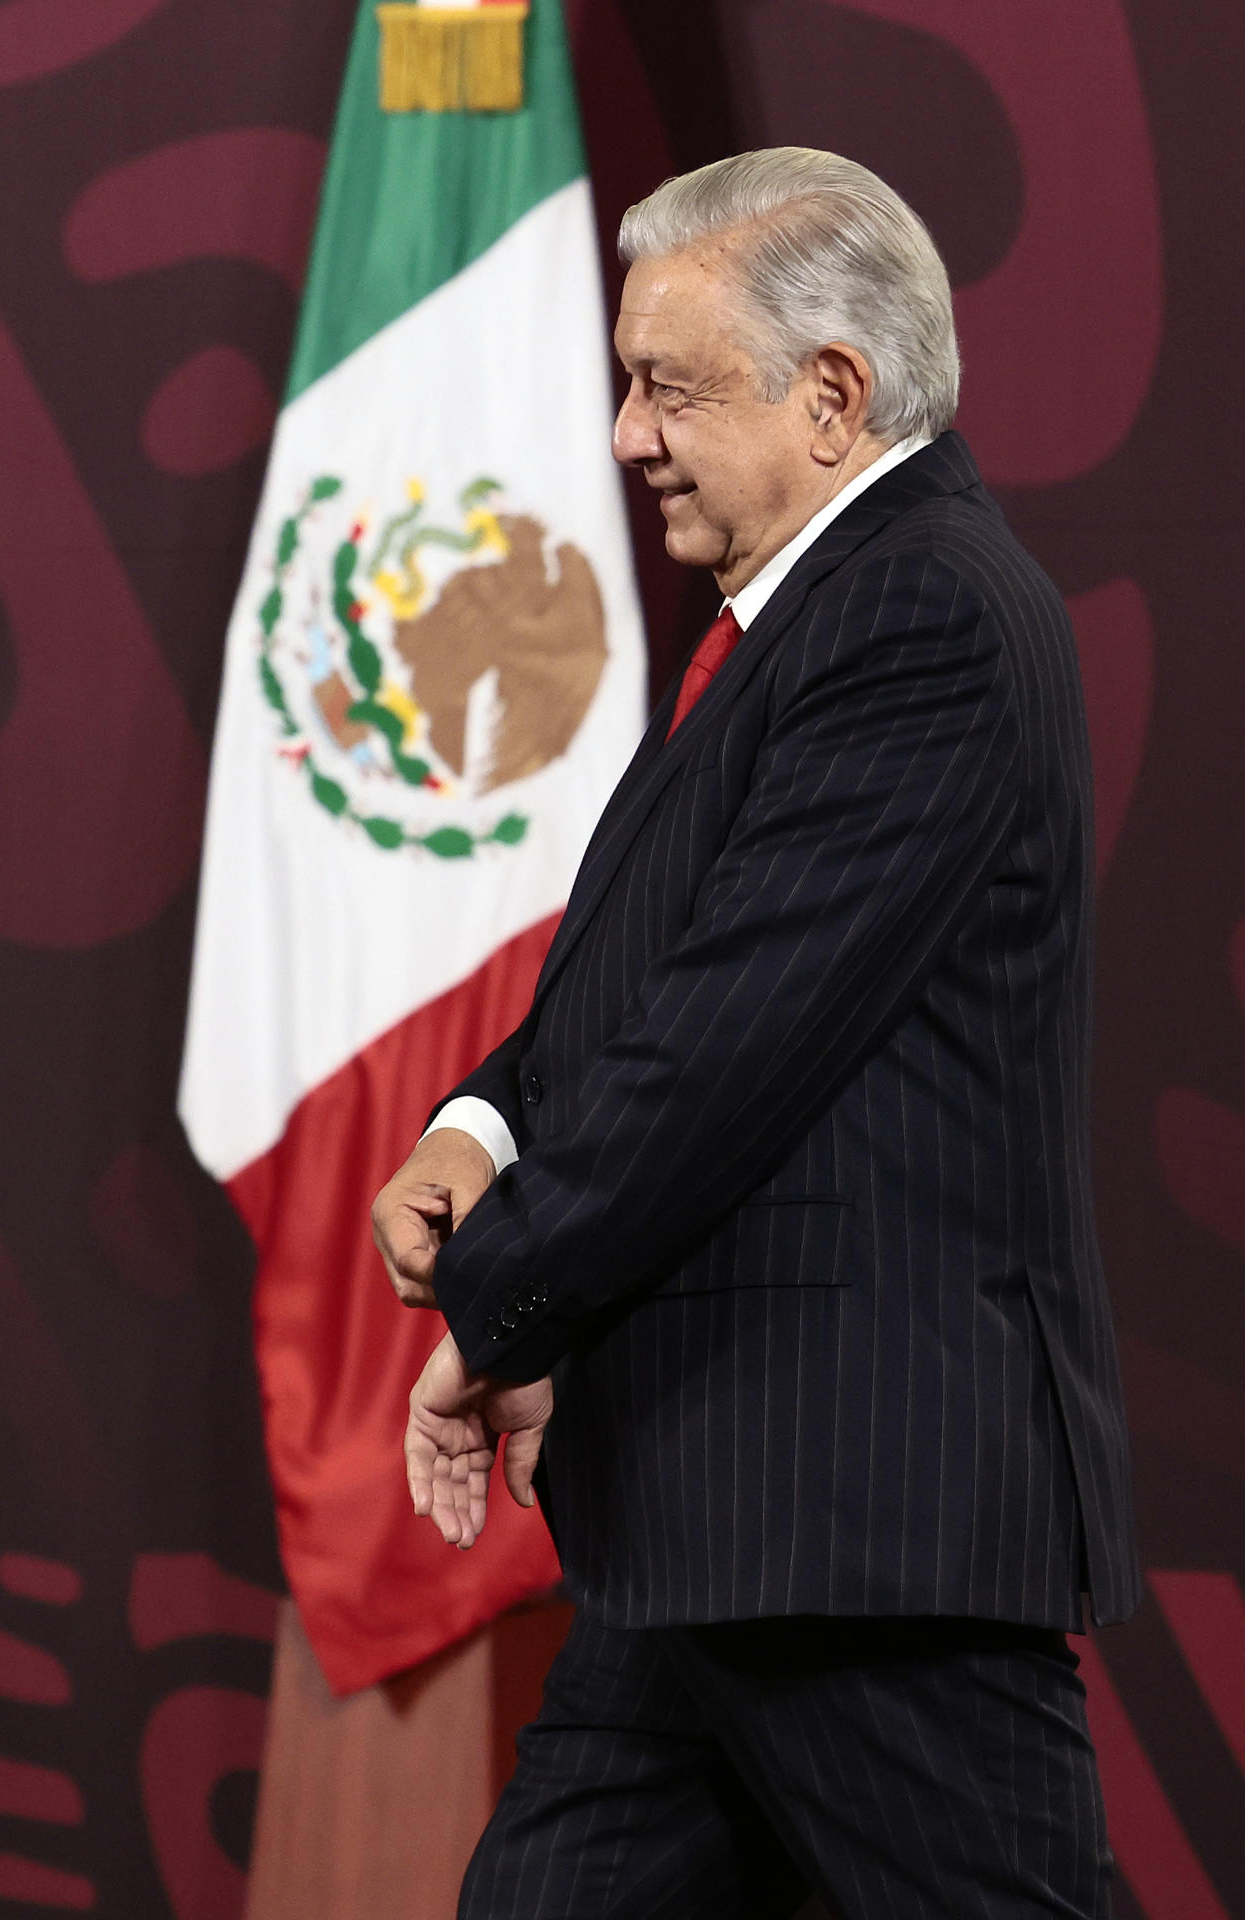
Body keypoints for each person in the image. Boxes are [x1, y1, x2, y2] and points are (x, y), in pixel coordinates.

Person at [372, 147, 1139, 1920]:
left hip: (855, 1519)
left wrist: (506, 1300)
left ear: (834, 392)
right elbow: (652, 978)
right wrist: (481, 1129)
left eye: (668, 384)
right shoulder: (794, 622)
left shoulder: (919, 611)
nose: (628, 433)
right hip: (732, 1513)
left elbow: (731, 1040)